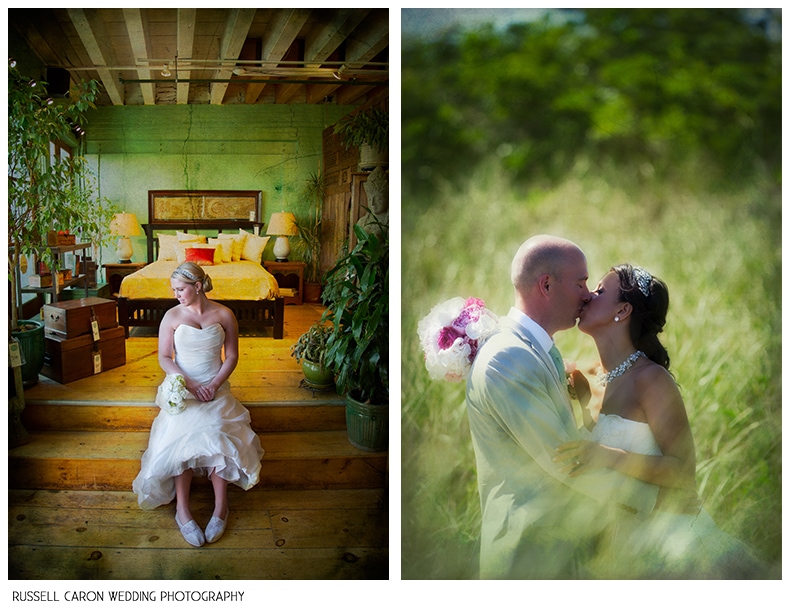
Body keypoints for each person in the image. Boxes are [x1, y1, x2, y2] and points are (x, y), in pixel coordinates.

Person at [554, 264, 767, 578]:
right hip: (615, 541)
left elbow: (683, 471)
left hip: (673, 542)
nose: (588, 296)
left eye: (600, 291)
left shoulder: (651, 380)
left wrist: (606, 457)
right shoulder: (582, 375)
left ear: (622, 310)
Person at [465, 235, 659, 579]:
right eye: (581, 282)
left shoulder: (534, 349)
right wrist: (655, 501)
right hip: (525, 555)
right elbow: (565, 460)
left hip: (560, 546)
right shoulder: (508, 358)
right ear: (546, 285)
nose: (587, 294)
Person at [132, 262, 264, 547]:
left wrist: (214, 384)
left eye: (180, 289)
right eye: (174, 290)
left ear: (198, 286)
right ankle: (183, 510)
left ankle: (221, 507)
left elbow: (231, 356)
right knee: (181, 436)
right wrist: (187, 384)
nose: (176, 294)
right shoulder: (171, 316)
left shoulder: (225, 314)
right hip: (184, 387)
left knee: (217, 432)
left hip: (215, 387)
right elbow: (165, 357)